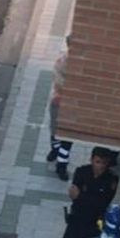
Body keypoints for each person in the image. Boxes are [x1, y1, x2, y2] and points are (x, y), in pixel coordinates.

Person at [46, 35, 72, 179]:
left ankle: (62, 164)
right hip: (59, 101)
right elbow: (59, 81)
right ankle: (55, 150)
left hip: (71, 104)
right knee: (55, 130)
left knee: (68, 135)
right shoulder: (62, 62)